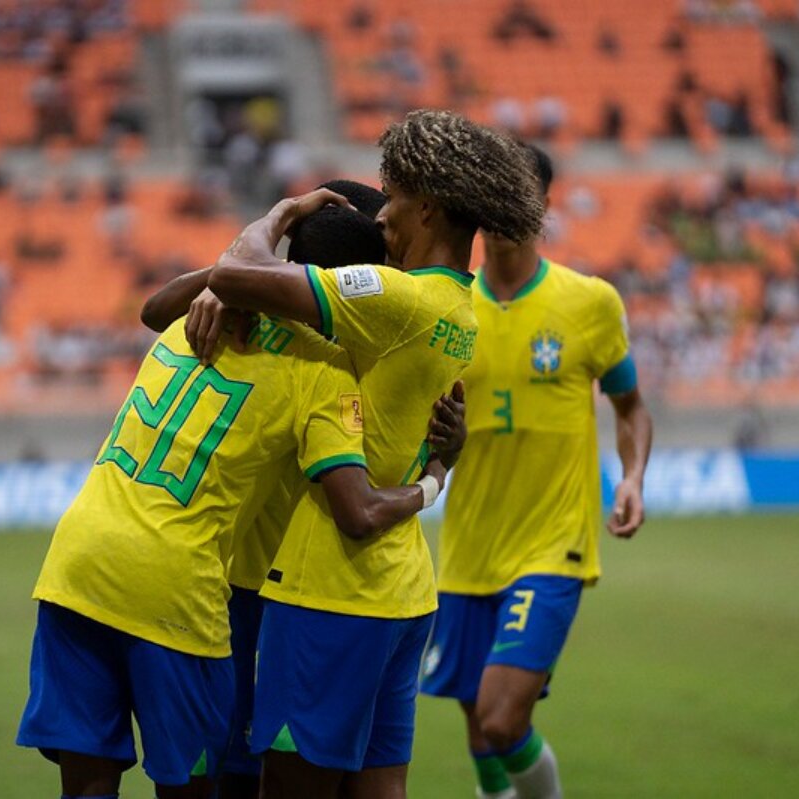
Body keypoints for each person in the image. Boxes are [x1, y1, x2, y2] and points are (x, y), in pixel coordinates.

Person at [177, 110, 546, 799]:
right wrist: (437, 473)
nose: (383, 219)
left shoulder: (395, 298)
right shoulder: (462, 310)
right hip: (402, 590)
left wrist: (282, 215)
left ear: (428, 207)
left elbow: (236, 273)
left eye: (395, 198)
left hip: (326, 592)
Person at [17, 264, 465, 798]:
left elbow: (153, 306)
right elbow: (359, 509)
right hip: (195, 586)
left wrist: (232, 269)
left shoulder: (192, 318)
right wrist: (437, 475)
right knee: (212, 784)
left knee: (87, 787)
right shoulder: (321, 368)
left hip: (75, 565)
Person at [143, 180, 412, 799]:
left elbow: (155, 311)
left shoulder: (251, 317)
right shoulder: (338, 355)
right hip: (281, 595)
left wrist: (226, 277)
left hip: (241, 586)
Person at [419, 144, 654, 799]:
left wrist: (631, 476)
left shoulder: (589, 303)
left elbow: (631, 406)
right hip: (468, 547)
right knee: (478, 726)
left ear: (541, 204)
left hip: (553, 543)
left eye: (513, 193)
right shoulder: (447, 308)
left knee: (501, 716)